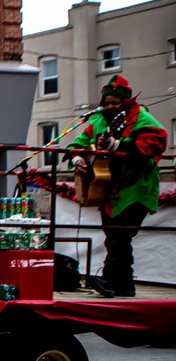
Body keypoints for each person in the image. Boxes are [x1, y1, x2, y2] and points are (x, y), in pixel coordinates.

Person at [70, 74, 168, 297]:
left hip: (137, 188)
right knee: (113, 236)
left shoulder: (142, 118)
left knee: (119, 235)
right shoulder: (97, 121)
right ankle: (123, 284)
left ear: (126, 102)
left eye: (115, 103)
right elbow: (77, 145)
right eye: (107, 103)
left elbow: (156, 141)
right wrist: (78, 159)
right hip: (109, 189)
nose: (111, 107)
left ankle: (112, 279)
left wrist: (119, 145)